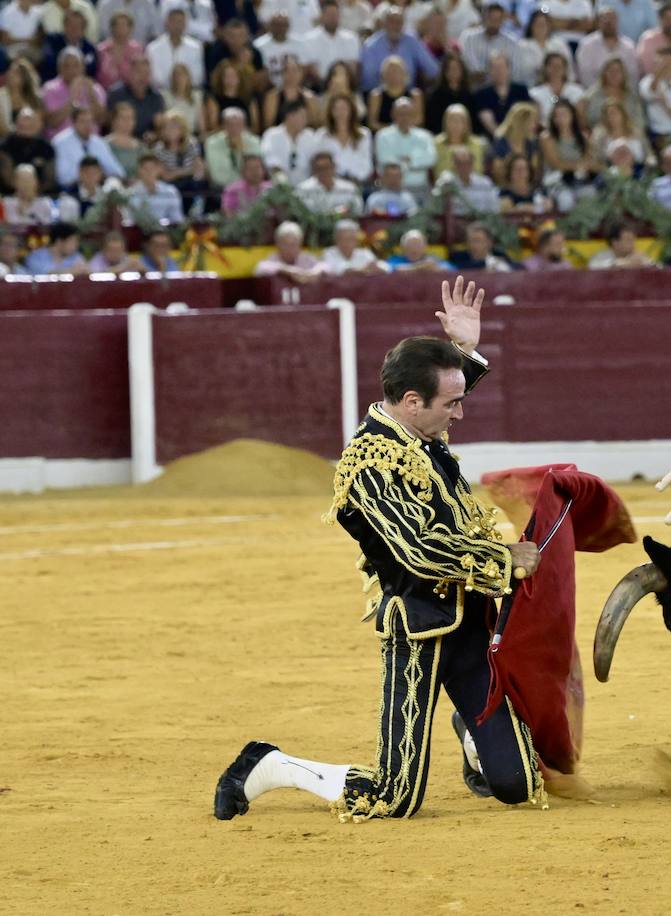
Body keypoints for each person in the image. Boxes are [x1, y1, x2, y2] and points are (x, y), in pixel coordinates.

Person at [214, 279, 551, 821]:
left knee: (519, 784)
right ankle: (267, 765)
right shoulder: (370, 460)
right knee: (393, 798)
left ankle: (470, 729)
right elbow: (416, 549)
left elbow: (442, 401)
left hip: (466, 623)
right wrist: (503, 559)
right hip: (418, 625)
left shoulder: (418, 433)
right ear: (412, 402)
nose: (459, 415)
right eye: (452, 403)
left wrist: (463, 350)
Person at [361, 3, 440, 93]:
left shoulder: (412, 41)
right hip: (380, 96)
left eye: (399, 22)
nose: (396, 26)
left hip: (408, 94)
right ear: (384, 24)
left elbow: (433, 69)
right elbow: (368, 80)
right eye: (392, 22)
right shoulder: (371, 45)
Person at [51, 105, 123, 188]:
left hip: (98, 188)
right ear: (73, 123)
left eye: (90, 121)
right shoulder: (60, 143)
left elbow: (118, 172)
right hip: (72, 190)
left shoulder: (99, 143)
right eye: (83, 121)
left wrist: (100, 175)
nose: (87, 125)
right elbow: (63, 177)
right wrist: (89, 174)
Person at [375, 96, 436, 193]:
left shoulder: (425, 136)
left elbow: (430, 159)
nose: (405, 118)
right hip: (391, 188)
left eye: (408, 114)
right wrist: (415, 163)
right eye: (400, 114)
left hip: (420, 187)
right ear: (393, 115)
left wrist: (407, 160)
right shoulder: (383, 136)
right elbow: (385, 161)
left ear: (413, 115)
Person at [574, 7, 639, 88]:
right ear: (598, 22)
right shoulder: (587, 44)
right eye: (605, 19)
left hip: (623, 94)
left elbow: (633, 75)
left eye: (612, 19)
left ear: (617, 21)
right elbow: (585, 74)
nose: (609, 22)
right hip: (594, 94)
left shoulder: (629, 46)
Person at [472, 51, 532, 137]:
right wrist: (502, 139)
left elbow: (527, 116)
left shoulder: (521, 90)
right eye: (495, 68)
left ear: (508, 69)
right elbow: (488, 122)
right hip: (493, 139)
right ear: (489, 71)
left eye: (501, 67)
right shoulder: (482, 94)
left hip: (520, 136)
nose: (499, 71)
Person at [262, 100, 321, 184]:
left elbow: (316, 160)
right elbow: (269, 158)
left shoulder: (310, 136)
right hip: (279, 185)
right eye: (302, 116)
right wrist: (282, 181)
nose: (305, 121)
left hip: (306, 186)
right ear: (290, 116)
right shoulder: (272, 135)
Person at [145, 4, 203, 90]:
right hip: (161, 93)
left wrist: (182, 86)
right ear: (167, 23)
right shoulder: (153, 48)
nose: (177, 25)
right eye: (174, 21)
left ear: (185, 24)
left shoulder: (196, 47)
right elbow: (154, 77)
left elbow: (197, 77)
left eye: (180, 22)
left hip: (187, 92)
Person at [459, 2, 519, 85]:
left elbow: (511, 69)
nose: (494, 23)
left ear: (503, 20)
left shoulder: (511, 42)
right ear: (484, 18)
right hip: (472, 83)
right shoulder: (469, 37)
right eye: (491, 18)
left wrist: (491, 75)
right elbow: (467, 62)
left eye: (497, 19)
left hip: (498, 86)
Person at [205, 107, 262, 189]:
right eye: (230, 124)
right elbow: (216, 175)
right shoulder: (212, 143)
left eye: (238, 124)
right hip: (222, 188)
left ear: (244, 125)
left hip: (249, 187)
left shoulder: (254, 141)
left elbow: (255, 172)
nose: (234, 128)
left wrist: (241, 152)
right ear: (223, 126)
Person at [298, 150, 363, 214]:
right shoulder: (303, 189)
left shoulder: (349, 188)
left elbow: (357, 209)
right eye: (320, 169)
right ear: (314, 170)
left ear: (334, 167)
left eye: (327, 167)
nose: (324, 172)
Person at [254, 221, 324, 281]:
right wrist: (286, 270)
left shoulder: (306, 258)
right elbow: (260, 269)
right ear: (278, 244)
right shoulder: (273, 259)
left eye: (293, 244)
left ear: (299, 245)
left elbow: (326, 266)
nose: (289, 248)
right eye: (285, 244)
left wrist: (315, 272)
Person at [127, 152, 185, 224]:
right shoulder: (131, 194)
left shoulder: (171, 192)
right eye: (145, 168)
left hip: (165, 232)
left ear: (158, 170)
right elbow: (129, 221)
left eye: (152, 168)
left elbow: (177, 219)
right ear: (139, 170)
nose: (149, 172)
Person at [322, 218, 389, 274]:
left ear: (356, 240)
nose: (346, 243)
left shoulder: (365, 253)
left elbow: (382, 266)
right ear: (336, 240)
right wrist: (363, 271)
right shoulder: (328, 253)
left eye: (351, 239)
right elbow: (342, 270)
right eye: (342, 239)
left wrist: (378, 268)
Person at [449, 222, 515, 271]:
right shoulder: (459, 257)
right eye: (470, 241)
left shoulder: (499, 255)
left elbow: (518, 268)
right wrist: (488, 264)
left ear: (489, 242)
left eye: (477, 240)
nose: (473, 244)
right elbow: (455, 269)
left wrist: (501, 264)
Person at [588, 221, 655, 268]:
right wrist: (625, 264)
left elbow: (659, 269)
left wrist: (646, 264)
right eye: (628, 240)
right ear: (615, 243)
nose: (633, 244)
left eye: (633, 240)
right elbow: (593, 270)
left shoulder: (639, 257)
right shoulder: (600, 257)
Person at [388, 228, 458, 270]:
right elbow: (390, 269)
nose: (414, 248)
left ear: (425, 247)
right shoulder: (396, 260)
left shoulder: (433, 259)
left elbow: (451, 270)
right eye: (410, 245)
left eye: (417, 244)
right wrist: (422, 266)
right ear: (403, 248)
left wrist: (436, 268)